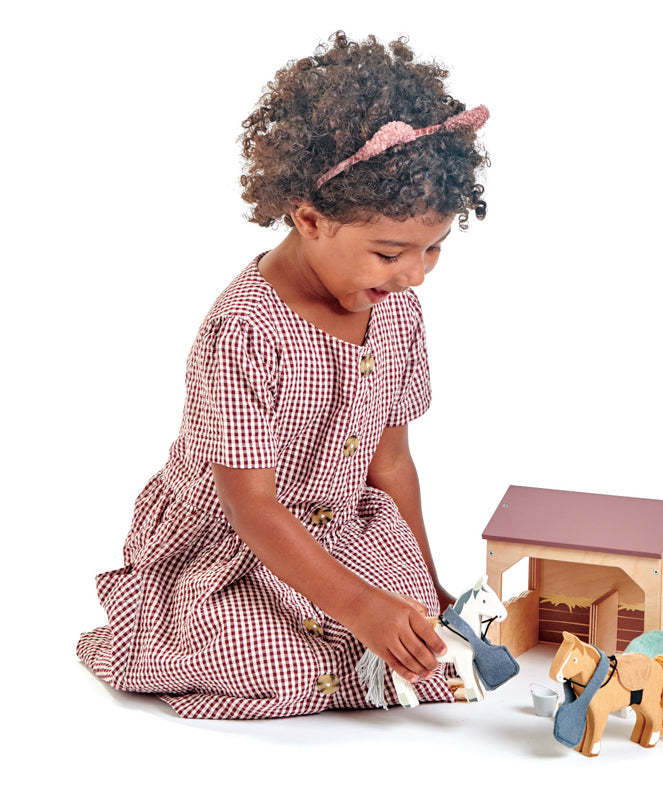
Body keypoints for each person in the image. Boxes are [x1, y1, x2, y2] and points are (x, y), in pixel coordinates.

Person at [77, 31, 489, 720]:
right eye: (391, 253)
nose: (415, 275)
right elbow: (253, 508)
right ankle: (161, 633)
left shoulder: (398, 314)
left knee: (415, 633)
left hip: (341, 529)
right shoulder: (244, 333)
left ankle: (365, 634)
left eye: (433, 251)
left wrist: (427, 583)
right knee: (290, 656)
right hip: (235, 544)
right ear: (309, 218)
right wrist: (360, 605)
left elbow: (389, 464)